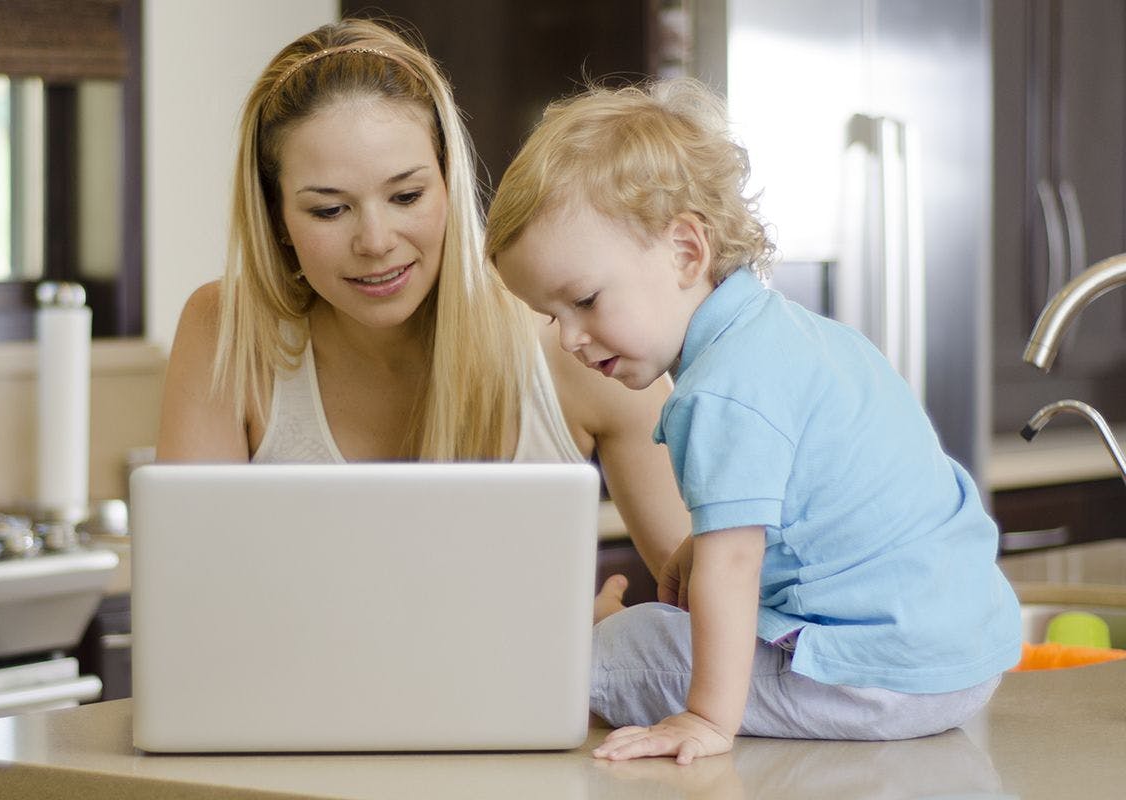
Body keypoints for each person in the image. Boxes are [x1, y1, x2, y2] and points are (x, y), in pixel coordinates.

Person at [486, 78, 1022, 763]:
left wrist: (706, 719)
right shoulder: (790, 334)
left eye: (585, 300)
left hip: (882, 678)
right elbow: (809, 513)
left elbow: (734, 567)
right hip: (958, 655)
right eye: (552, 315)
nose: (568, 338)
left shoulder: (720, 392)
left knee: (611, 649)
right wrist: (699, 549)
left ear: (686, 252)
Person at [156, 18, 689, 580]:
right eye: (329, 210)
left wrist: (609, 651)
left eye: (407, 195)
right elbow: (189, 605)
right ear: (278, 218)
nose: (376, 242)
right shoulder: (227, 331)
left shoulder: (574, 341)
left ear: (449, 182)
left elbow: (724, 608)